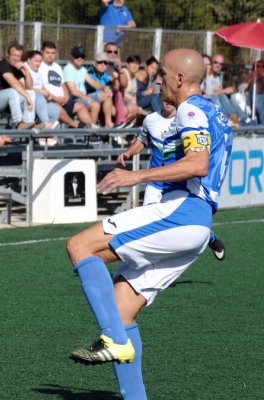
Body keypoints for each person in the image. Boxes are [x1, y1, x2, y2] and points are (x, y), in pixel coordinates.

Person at [65, 48, 233, 399]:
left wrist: (134, 176)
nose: (157, 80)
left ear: (180, 79)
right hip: (196, 225)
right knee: (122, 306)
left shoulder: (189, 108)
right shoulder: (216, 111)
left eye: (162, 75)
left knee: (80, 246)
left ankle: (113, 339)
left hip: (183, 211)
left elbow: (197, 164)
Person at [116, 101, 227, 260]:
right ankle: (156, 266)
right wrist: (128, 153)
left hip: (176, 183)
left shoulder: (186, 120)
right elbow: (142, 140)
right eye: (163, 99)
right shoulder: (151, 120)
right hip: (155, 183)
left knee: (182, 223)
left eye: (169, 99)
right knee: (151, 227)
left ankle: (210, 237)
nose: (167, 102)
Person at [0, 43, 41, 130]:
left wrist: (26, 69)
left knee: (31, 92)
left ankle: (29, 122)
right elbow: (12, 81)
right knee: (13, 91)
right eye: (14, 55)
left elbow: (28, 87)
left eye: (19, 56)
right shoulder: (2, 64)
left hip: (7, 102)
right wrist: (26, 96)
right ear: (8, 55)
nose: (16, 58)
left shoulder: (16, 68)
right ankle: (18, 122)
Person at [38, 41, 83, 129]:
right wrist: (56, 99)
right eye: (47, 52)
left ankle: (92, 130)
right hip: (49, 100)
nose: (50, 55)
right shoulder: (39, 66)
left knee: (80, 106)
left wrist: (66, 95)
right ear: (42, 52)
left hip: (62, 100)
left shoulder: (57, 67)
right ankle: (77, 126)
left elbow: (63, 84)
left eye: (53, 53)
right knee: (57, 108)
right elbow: (40, 87)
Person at [63, 45, 103, 128]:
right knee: (95, 105)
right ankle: (92, 131)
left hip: (83, 96)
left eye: (82, 56)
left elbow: (93, 83)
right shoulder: (68, 69)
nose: (80, 59)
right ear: (71, 56)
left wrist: (105, 88)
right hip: (74, 99)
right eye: (77, 56)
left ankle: (109, 125)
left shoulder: (82, 69)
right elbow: (74, 92)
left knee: (106, 95)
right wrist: (88, 98)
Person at [85, 51, 115, 128]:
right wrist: (105, 88)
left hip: (100, 98)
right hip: (87, 96)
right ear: (94, 63)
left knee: (114, 109)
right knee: (107, 95)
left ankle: (112, 130)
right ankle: (108, 123)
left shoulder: (104, 74)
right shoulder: (89, 72)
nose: (102, 65)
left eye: (105, 63)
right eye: (100, 62)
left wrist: (116, 79)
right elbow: (95, 85)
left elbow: (111, 86)